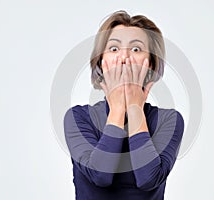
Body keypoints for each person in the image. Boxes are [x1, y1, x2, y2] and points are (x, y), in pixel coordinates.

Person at [63, 10, 184, 200]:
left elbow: (148, 178)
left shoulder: (168, 120)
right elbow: (100, 175)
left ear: (151, 64)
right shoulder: (79, 118)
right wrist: (118, 109)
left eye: (136, 49)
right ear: (101, 63)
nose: (124, 58)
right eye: (113, 49)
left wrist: (135, 108)